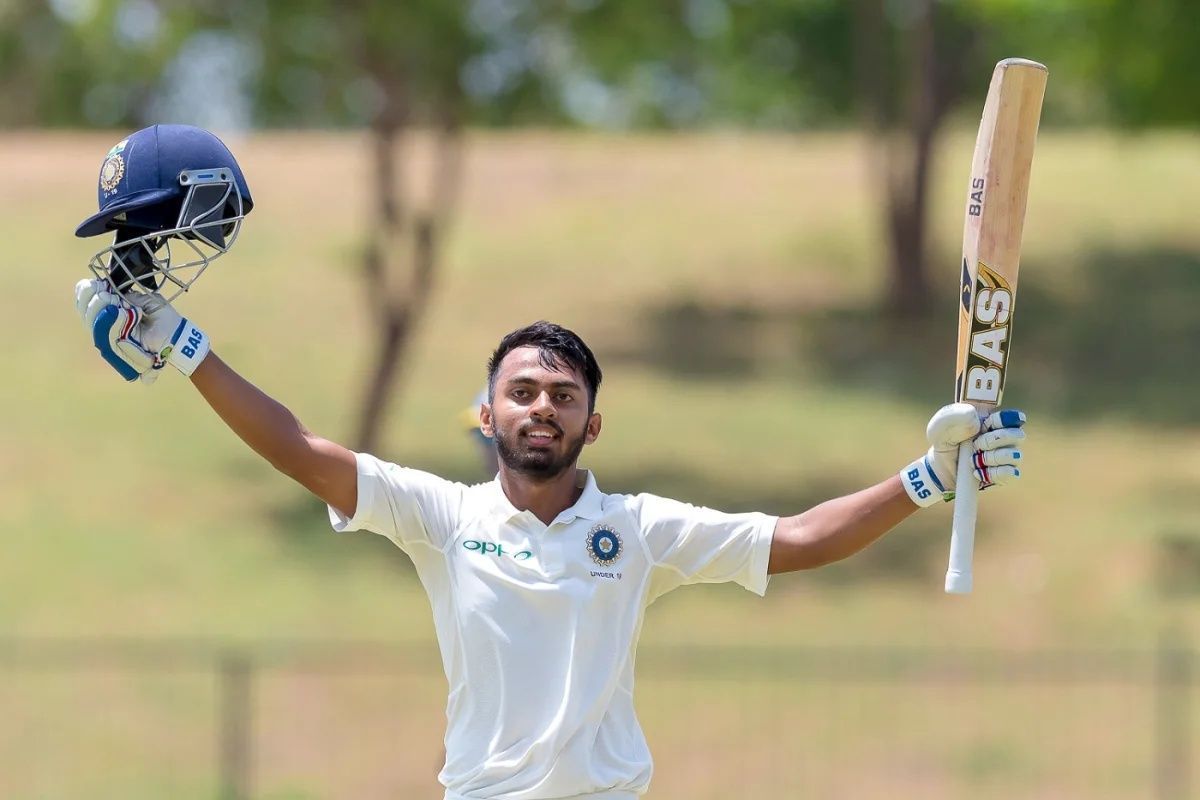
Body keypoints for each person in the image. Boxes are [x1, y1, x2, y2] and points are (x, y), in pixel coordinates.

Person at [73, 126, 1027, 800]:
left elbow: (805, 539)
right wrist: (189, 345)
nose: (542, 408)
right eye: (523, 393)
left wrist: (930, 477)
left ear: (592, 426)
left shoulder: (638, 532)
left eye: (564, 396)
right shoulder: (440, 518)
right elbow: (297, 449)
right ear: (486, 415)